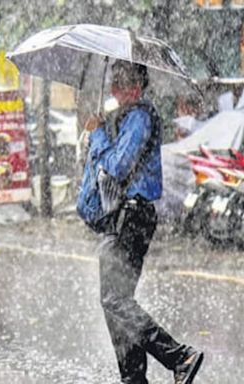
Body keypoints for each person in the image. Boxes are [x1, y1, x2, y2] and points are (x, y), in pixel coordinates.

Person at [82, 60, 204, 384]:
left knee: (114, 300)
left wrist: (96, 136)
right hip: (124, 218)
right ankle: (133, 378)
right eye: (113, 82)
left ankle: (180, 356)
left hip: (131, 218)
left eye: (119, 83)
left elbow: (117, 166)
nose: (113, 90)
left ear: (136, 86)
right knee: (116, 305)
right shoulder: (127, 116)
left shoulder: (139, 117)